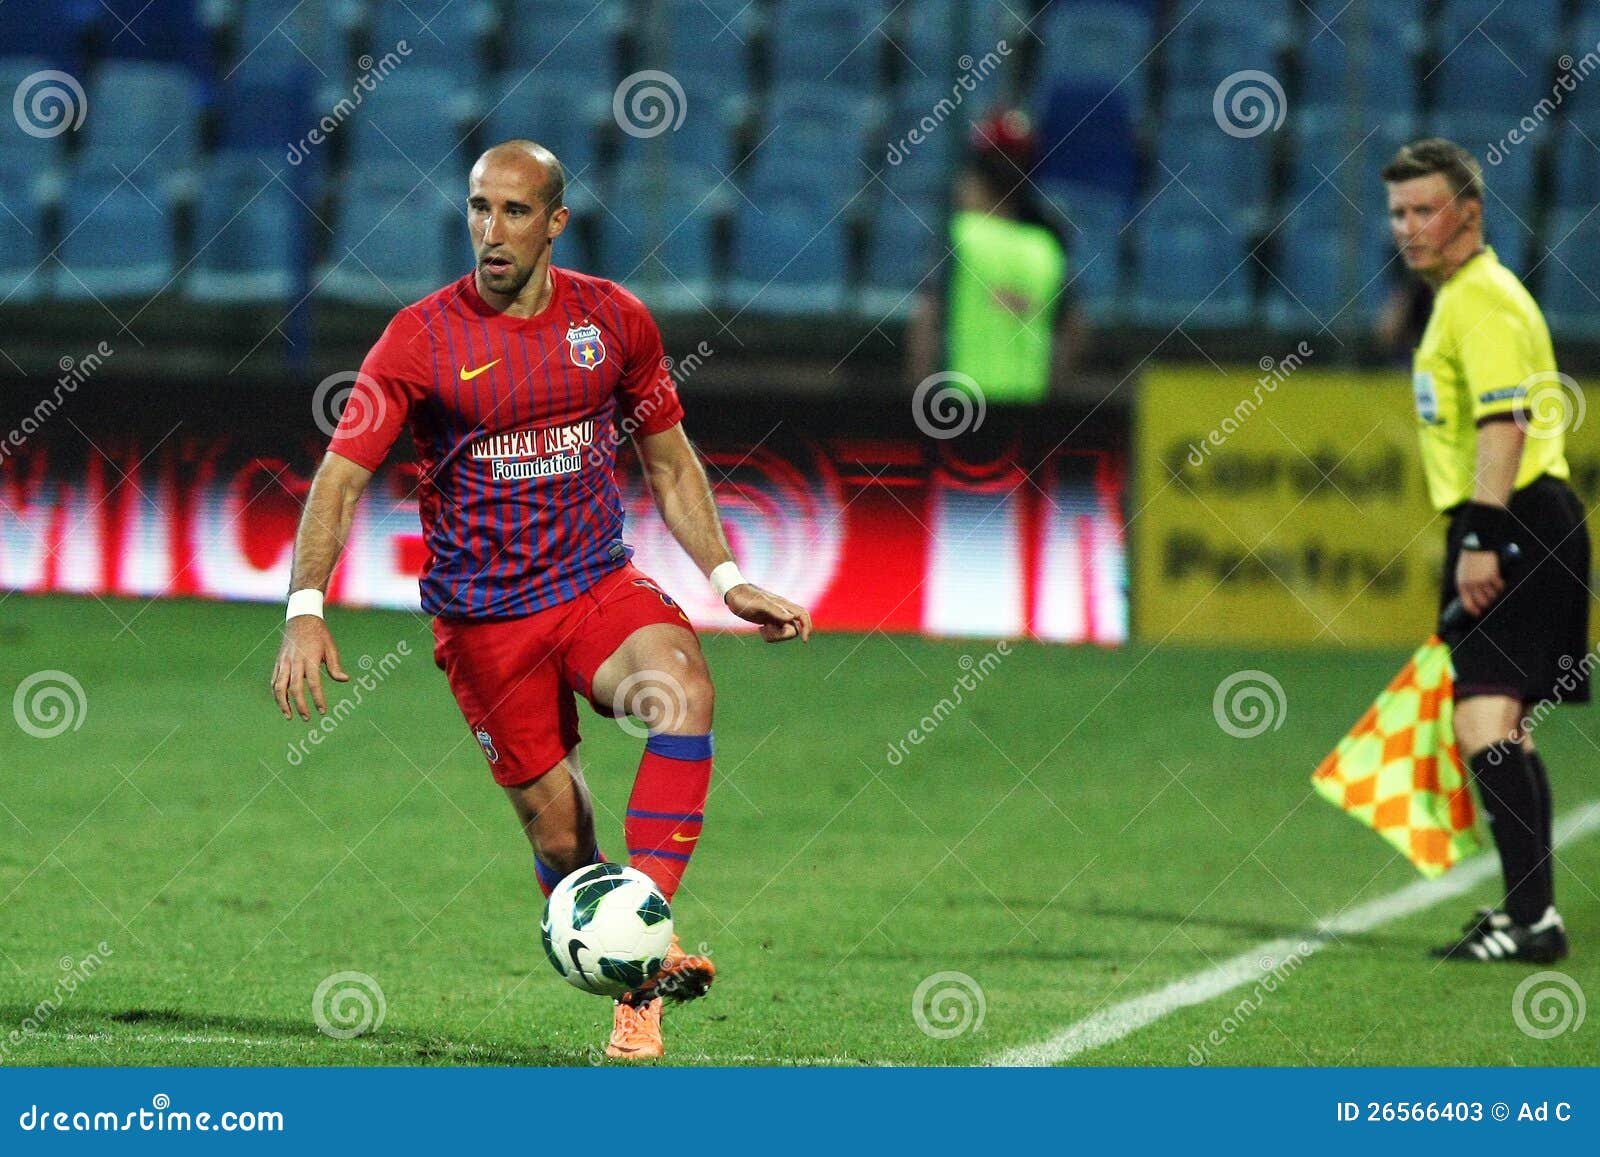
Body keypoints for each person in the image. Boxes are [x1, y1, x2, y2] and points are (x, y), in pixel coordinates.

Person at [271, 141, 814, 1056]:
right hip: (484, 619)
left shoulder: (614, 321)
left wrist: (728, 579)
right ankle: (629, 942)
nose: (492, 230)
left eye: (515, 212)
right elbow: (339, 478)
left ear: (555, 221)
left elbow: (669, 461)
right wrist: (305, 607)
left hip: (595, 582)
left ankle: (638, 975)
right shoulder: (419, 338)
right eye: (480, 209)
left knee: (680, 691)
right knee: (561, 838)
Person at [1383, 138, 1588, 963]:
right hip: (1518, 520)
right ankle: (1529, 916)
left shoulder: (1483, 301)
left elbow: (1508, 423)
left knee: (1483, 721)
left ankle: (1532, 919)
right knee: (1506, 725)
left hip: (1516, 521)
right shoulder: (1461, 299)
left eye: (1424, 208)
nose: (1406, 227)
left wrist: (1480, 537)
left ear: (1469, 213)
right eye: (1396, 211)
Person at [908, 108, 1086, 401]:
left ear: (976, 171)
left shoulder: (958, 235)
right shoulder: (1048, 246)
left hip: (960, 411)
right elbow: (1076, 332)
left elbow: (926, 324)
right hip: (1030, 413)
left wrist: (923, 406)